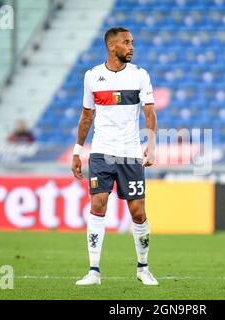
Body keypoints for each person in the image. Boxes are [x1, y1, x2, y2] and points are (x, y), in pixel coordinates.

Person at [71, 27, 158, 286]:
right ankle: (94, 271)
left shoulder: (140, 76)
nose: (131, 47)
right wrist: (78, 150)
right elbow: (87, 116)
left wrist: (151, 145)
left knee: (138, 212)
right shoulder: (92, 76)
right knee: (98, 204)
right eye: (126, 42)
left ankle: (143, 268)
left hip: (130, 153)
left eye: (132, 42)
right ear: (112, 47)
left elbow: (150, 113)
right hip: (101, 152)